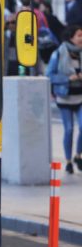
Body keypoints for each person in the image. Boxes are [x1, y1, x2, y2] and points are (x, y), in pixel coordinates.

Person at [47, 25, 82, 173]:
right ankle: (68, 161)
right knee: (68, 129)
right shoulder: (58, 53)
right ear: (71, 37)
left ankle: (78, 155)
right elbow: (50, 75)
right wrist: (68, 78)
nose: (81, 38)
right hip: (64, 97)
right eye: (79, 35)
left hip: (80, 96)